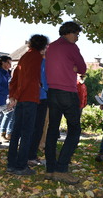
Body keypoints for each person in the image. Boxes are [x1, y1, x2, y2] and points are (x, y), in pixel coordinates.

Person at [44, 21, 87, 184]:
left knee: (52, 130)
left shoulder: (51, 47)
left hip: (52, 92)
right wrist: (74, 68)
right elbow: (83, 68)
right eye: (76, 34)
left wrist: (72, 67)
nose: (77, 37)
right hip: (67, 93)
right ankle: (61, 169)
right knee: (75, 130)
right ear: (69, 33)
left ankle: (50, 169)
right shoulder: (71, 47)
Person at [6, 34, 48, 176]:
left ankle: (11, 164)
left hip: (22, 99)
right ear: (42, 46)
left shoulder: (24, 56)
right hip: (30, 98)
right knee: (27, 133)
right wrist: (16, 96)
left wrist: (13, 96)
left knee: (16, 131)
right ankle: (21, 166)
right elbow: (29, 80)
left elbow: (15, 79)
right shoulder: (36, 58)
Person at [27, 47, 48, 166]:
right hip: (40, 97)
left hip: (34, 97)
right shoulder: (42, 62)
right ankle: (31, 156)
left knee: (35, 128)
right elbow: (45, 80)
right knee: (37, 128)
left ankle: (31, 155)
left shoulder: (32, 61)